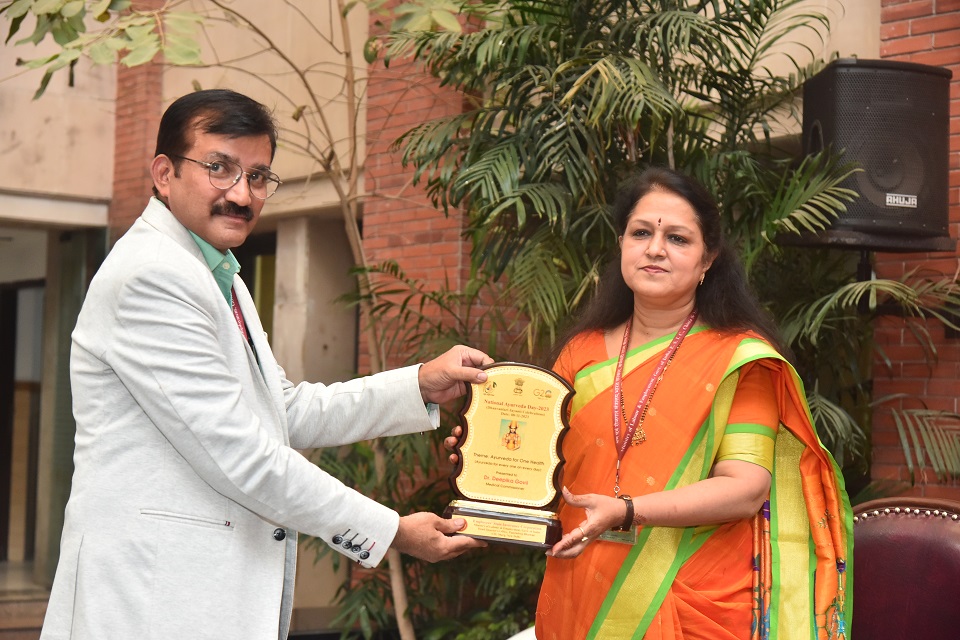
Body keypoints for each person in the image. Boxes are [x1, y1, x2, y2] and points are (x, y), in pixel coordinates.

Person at [40, 89, 490, 640]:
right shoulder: (151, 276)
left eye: (257, 176)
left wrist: (418, 384)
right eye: (219, 168)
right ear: (164, 173)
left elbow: (283, 410)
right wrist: (391, 530)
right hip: (151, 605)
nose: (241, 194)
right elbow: (242, 456)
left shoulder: (215, 271)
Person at [533, 168, 852, 639]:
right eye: (641, 233)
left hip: (693, 597)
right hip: (580, 583)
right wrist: (484, 455)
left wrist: (627, 510)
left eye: (678, 238)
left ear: (708, 260)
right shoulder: (580, 353)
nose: (655, 249)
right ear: (621, 244)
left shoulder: (739, 359)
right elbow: (538, 461)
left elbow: (745, 488)